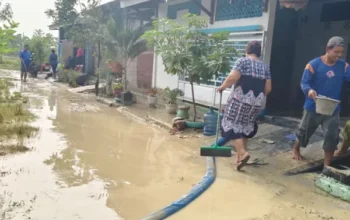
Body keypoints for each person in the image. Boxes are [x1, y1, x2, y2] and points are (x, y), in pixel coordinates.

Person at [293, 36, 350, 167]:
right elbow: (304, 83)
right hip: (313, 106)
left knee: (332, 136)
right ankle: (296, 148)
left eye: (341, 52)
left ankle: (327, 166)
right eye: (336, 52)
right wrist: (309, 91)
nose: (339, 55)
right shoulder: (313, 65)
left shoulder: (344, 66)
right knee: (304, 132)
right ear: (327, 49)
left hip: (332, 108)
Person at [217, 41, 272, 171]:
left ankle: (243, 152)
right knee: (245, 126)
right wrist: (255, 98)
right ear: (259, 52)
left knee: (229, 125)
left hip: (240, 101)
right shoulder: (265, 67)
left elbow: (233, 77)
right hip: (257, 103)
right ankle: (239, 158)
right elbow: (268, 88)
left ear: (246, 51)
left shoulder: (243, 61)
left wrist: (222, 87)